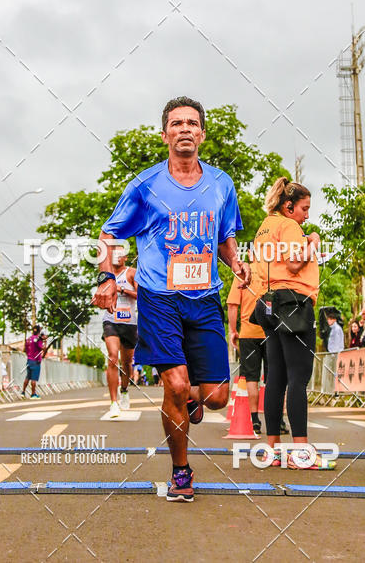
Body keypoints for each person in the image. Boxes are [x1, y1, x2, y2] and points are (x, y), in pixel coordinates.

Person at [92, 96, 250, 502]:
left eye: (191, 123)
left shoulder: (221, 184)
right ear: (165, 135)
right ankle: (181, 471)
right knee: (176, 386)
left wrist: (236, 263)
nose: (184, 129)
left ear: (201, 133)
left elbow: (225, 237)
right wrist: (109, 278)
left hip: (205, 297)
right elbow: (109, 235)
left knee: (215, 397)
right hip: (160, 299)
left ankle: (192, 402)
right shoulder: (145, 186)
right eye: (176, 123)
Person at [252, 177, 331, 469]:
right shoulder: (289, 226)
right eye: (304, 208)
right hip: (293, 302)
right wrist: (312, 241)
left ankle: (272, 449)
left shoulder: (264, 226)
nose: (307, 215)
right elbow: (296, 263)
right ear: (289, 206)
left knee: (276, 377)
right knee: (298, 378)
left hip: (267, 302)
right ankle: (301, 451)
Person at [227, 257, 268, 436]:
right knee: (274, 377)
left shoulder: (242, 273)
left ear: (251, 254)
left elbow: (232, 305)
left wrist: (233, 331)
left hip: (248, 334)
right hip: (271, 332)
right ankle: (278, 420)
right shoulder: (273, 271)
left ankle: (255, 419)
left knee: (251, 377)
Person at [102, 252, 138, 418]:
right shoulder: (105, 276)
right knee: (112, 358)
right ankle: (113, 403)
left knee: (127, 363)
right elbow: (100, 297)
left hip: (129, 322)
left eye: (119, 255)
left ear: (125, 258)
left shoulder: (132, 273)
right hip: (111, 321)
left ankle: (124, 390)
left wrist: (122, 289)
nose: (116, 257)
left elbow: (141, 296)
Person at [22, 325, 47, 398]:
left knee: (27, 377)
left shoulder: (28, 339)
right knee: (34, 379)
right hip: (36, 361)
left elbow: (25, 349)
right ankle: (33, 394)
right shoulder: (37, 339)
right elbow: (43, 348)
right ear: (39, 331)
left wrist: (29, 356)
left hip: (29, 360)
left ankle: (23, 392)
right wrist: (44, 341)